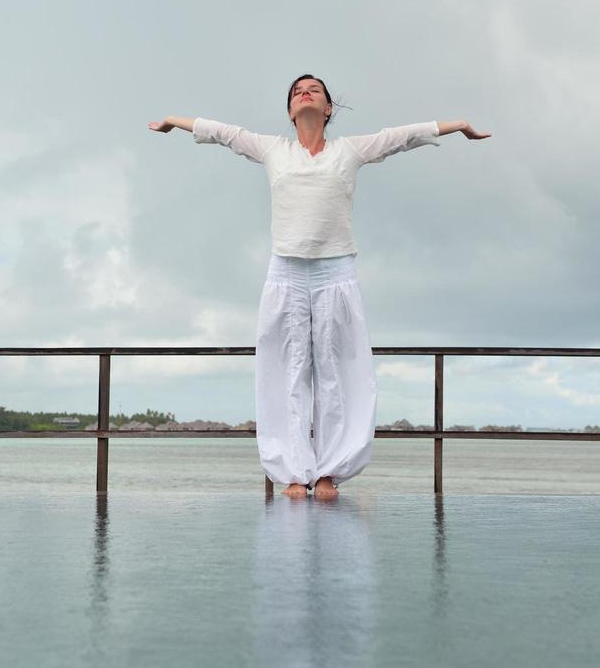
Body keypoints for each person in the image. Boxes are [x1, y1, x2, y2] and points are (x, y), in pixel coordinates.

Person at [149, 75, 490, 500]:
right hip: (286, 274)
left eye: (313, 89)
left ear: (328, 108)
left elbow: (397, 138)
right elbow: (223, 133)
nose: (304, 92)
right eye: (296, 91)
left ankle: (329, 472)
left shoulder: (348, 151)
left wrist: (455, 125)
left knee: (338, 374)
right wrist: (172, 121)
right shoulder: (274, 150)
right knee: (286, 373)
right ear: (291, 111)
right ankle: (293, 472)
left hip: (336, 274)